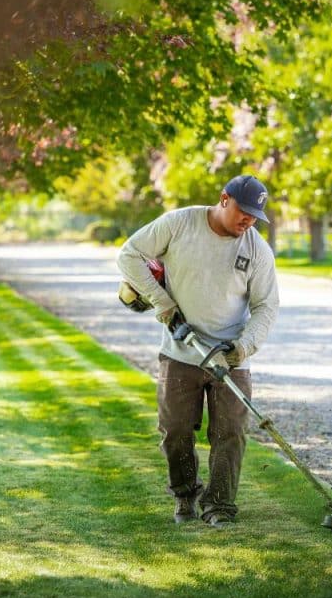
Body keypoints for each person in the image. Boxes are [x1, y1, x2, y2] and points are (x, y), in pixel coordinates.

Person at [117, 174, 279, 527]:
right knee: (175, 429)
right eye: (243, 211)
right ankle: (185, 494)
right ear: (224, 199)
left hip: (228, 356)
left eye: (255, 215)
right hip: (180, 351)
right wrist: (163, 303)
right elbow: (129, 254)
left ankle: (220, 505)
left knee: (230, 433)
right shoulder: (179, 224)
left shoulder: (256, 249)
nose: (248, 220)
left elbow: (266, 306)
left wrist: (243, 347)